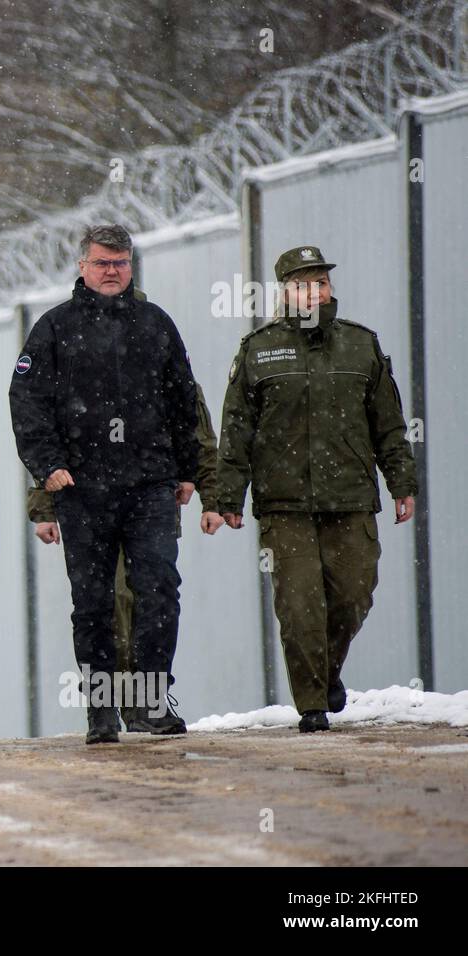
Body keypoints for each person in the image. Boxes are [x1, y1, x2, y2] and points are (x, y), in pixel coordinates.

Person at [9, 224, 200, 745]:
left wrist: (188, 470)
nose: (111, 271)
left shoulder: (156, 324)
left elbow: (185, 400)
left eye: (119, 262)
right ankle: (100, 709)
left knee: (159, 591)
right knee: (91, 600)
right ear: (82, 267)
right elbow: (27, 403)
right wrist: (47, 467)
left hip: (149, 485)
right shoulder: (54, 328)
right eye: (101, 263)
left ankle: (149, 700)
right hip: (82, 490)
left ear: (131, 265)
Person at [215, 245, 418, 733]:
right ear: (284, 293)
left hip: (350, 497)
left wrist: (401, 483)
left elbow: (388, 424)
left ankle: (326, 674)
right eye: (303, 283)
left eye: (321, 282)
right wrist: (227, 497)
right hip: (285, 505)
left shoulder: (361, 345)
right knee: (300, 607)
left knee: (354, 594)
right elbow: (236, 427)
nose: (315, 291)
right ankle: (312, 705)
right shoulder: (259, 350)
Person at [27, 375, 223, 730]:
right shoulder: (78, 365)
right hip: (90, 506)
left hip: (151, 505)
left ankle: (145, 703)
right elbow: (52, 441)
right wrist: (44, 508)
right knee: (110, 602)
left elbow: (198, 438)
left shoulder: (165, 362)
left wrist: (212, 496)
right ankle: (111, 704)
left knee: (154, 600)